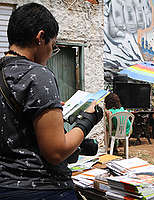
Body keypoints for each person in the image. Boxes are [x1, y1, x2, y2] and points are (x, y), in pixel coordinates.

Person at [0, 3, 103, 200]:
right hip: (41, 188)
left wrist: (48, 111)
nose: (50, 52)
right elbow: (55, 152)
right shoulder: (38, 75)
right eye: (52, 46)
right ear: (40, 38)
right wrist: (88, 119)